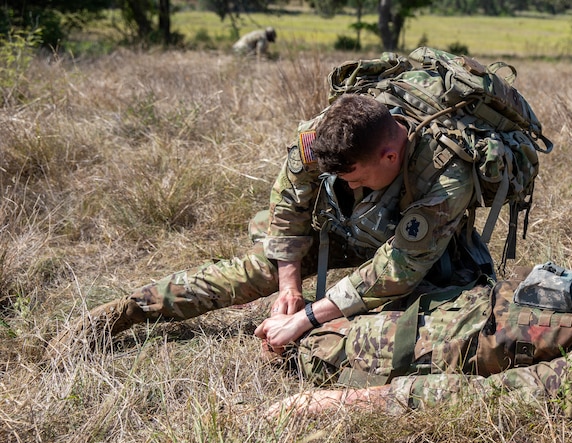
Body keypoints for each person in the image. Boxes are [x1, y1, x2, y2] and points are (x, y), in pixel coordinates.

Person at [57, 92, 496, 353]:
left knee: (403, 324)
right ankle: (132, 308)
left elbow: (396, 271)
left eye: (354, 178)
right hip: (347, 230)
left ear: (390, 156)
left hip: (425, 255)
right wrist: (290, 286)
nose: (350, 185)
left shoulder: (443, 175)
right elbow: (287, 209)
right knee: (260, 269)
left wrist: (306, 318)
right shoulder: (320, 139)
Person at [263, 268, 572, 422]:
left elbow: (505, 397)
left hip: (408, 345)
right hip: (446, 304)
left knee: (297, 344)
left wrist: (339, 403)